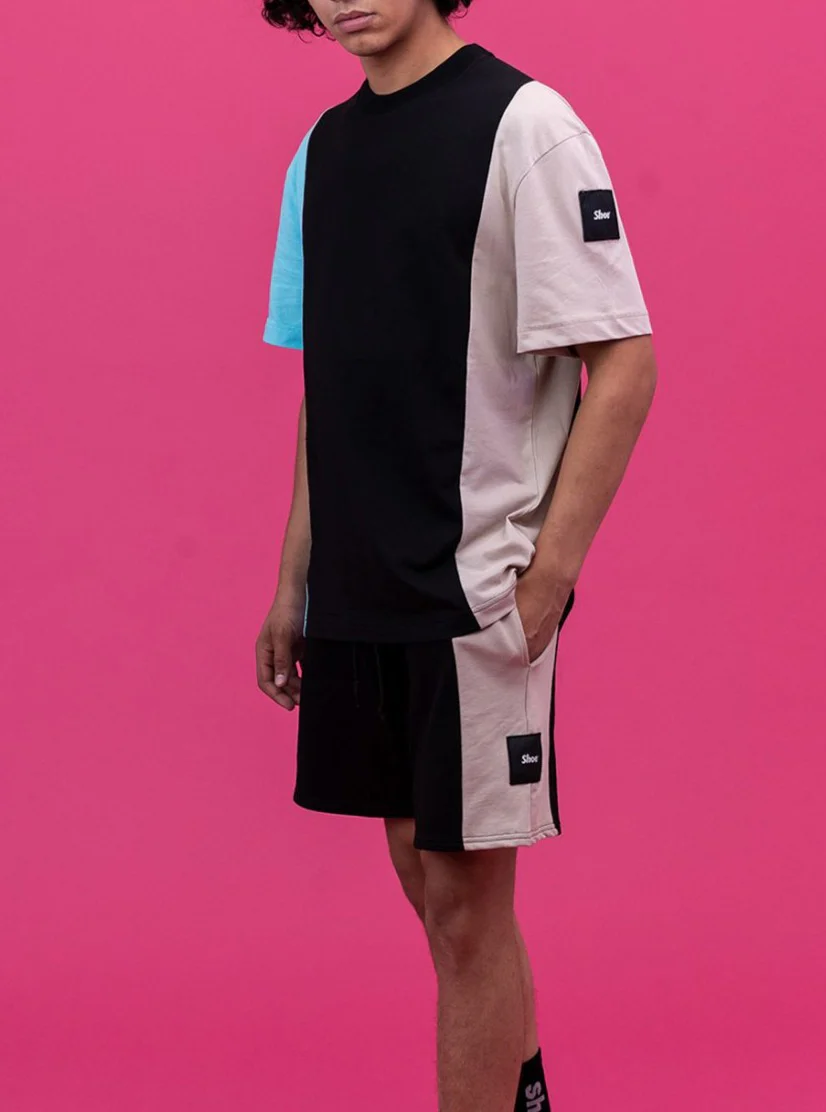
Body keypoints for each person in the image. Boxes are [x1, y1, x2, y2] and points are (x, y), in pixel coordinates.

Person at [255, 2, 657, 1109]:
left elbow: (625, 362)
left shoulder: (526, 126)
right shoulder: (322, 153)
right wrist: (293, 579)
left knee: (468, 904)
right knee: (429, 886)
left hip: (474, 585)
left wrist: (550, 576)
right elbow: (328, 383)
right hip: (357, 584)